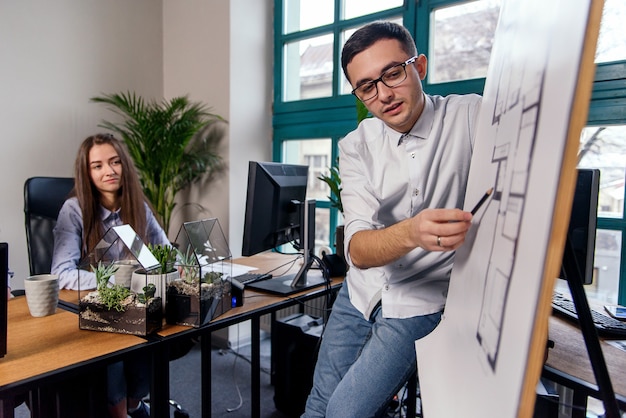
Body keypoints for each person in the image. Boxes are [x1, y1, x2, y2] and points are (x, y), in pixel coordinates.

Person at [302, 22, 482, 418]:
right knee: (317, 404)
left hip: (422, 296)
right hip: (363, 290)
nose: (383, 94)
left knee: (343, 413)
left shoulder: (471, 117)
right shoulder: (357, 146)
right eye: (367, 86)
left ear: (419, 66)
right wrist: (413, 231)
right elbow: (358, 251)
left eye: (393, 73)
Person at [52, 133, 170, 418]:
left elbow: (163, 254)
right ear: (87, 172)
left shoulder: (137, 206)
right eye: (98, 165)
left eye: (115, 162)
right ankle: (118, 411)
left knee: (155, 331)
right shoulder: (74, 210)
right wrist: (117, 279)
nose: (109, 171)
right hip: (92, 308)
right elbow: (61, 273)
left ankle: (133, 403)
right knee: (113, 343)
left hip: (134, 306)